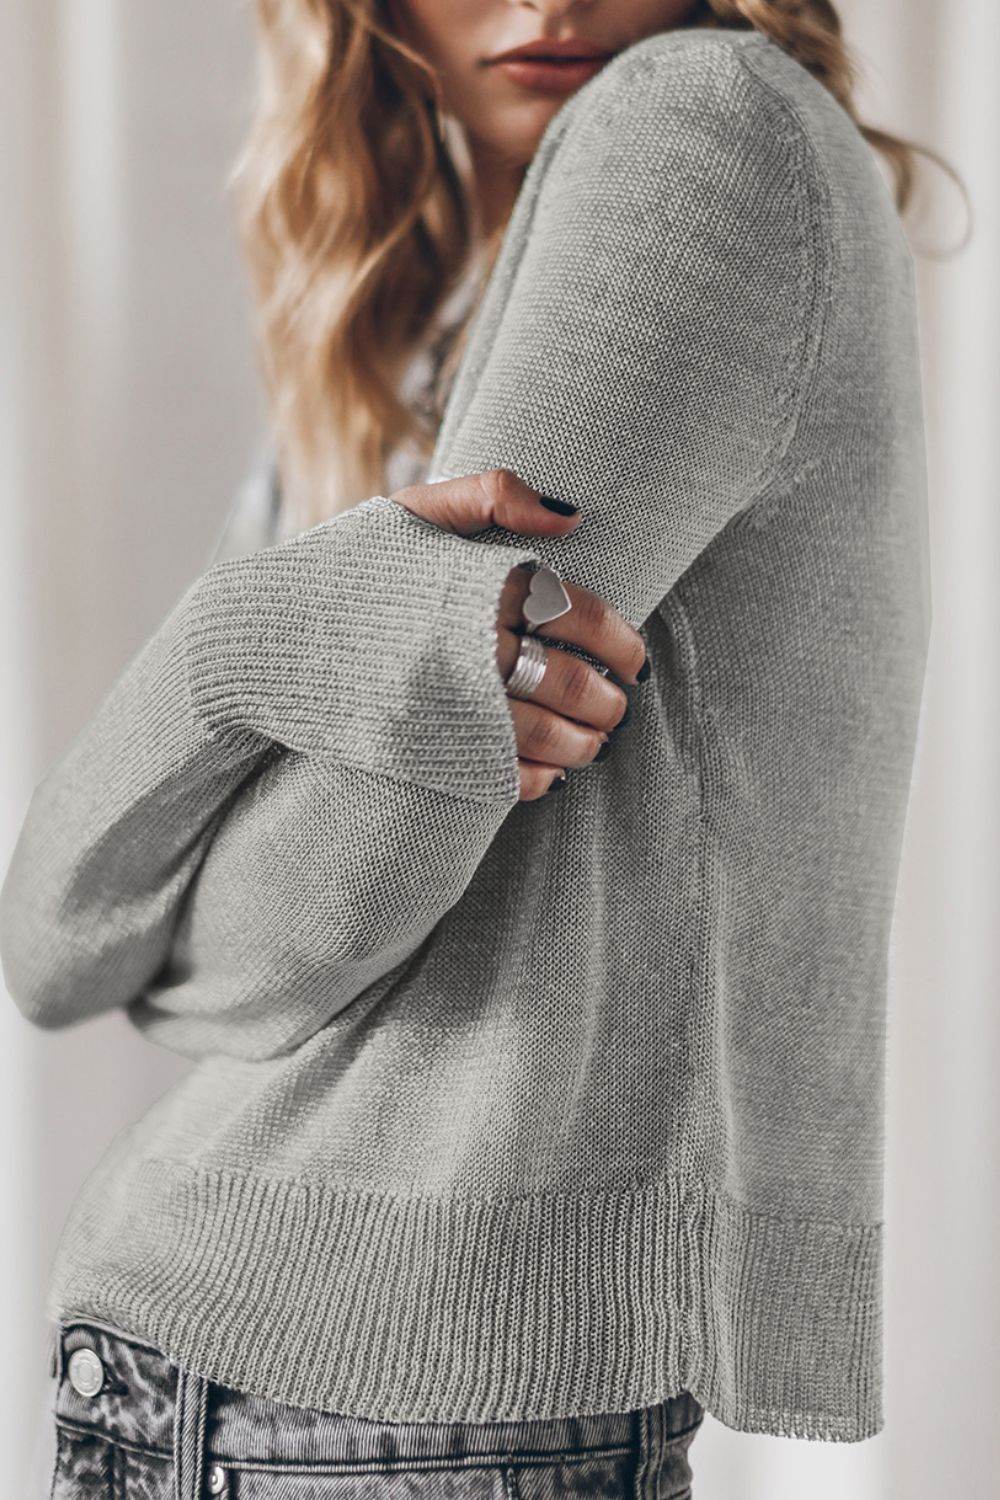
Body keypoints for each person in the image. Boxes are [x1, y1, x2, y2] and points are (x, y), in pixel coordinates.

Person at [2, 2, 935, 1495]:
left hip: (387, 1406)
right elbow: (55, 948)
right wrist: (240, 640)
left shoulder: (698, 128)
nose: (548, 0)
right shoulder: (427, 308)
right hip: (258, 1389)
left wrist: (200, 889)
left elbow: (325, 908)